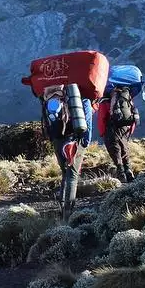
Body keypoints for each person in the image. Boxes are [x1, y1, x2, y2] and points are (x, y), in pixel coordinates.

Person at [41, 86, 93, 221]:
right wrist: (85, 141)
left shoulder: (51, 94)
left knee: (65, 172)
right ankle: (68, 214)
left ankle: (62, 206)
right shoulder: (79, 94)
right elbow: (87, 119)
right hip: (72, 139)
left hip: (57, 139)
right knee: (72, 175)